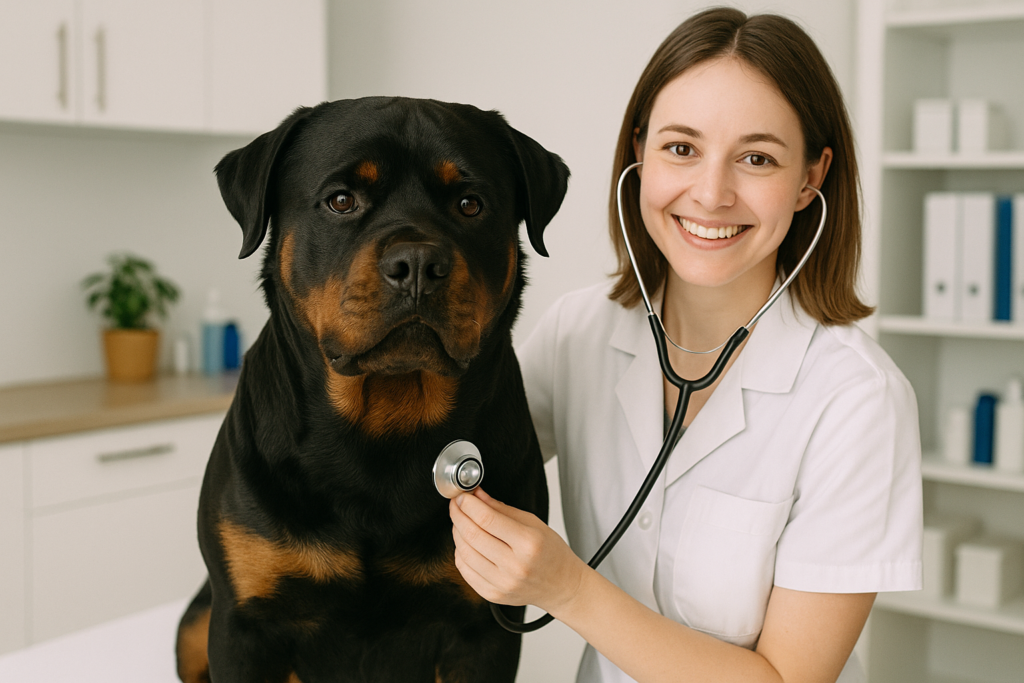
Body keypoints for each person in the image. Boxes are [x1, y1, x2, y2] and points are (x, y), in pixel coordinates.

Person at [448, 7, 923, 683]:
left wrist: (565, 587)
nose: (711, 192)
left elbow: (786, 679)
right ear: (639, 153)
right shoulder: (578, 330)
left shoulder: (856, 398)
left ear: (810, 179)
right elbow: (456, 460)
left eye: (756, 158)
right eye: (681, 148)